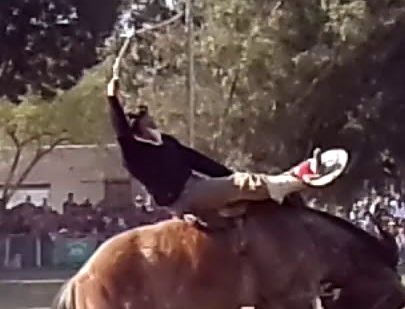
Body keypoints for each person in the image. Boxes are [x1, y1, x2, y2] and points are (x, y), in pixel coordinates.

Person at [106, 77, 340, 217]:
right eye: (146, 120)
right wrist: (112, 98)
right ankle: (300, 178)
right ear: (138, 128)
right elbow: (121, 132)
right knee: (245, 184)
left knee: (242, 190)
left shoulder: (166, 142)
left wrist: (229, 176)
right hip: (183, 197)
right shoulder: (134, 154)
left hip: (197, 185)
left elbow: (198, 161)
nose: (152, 120)